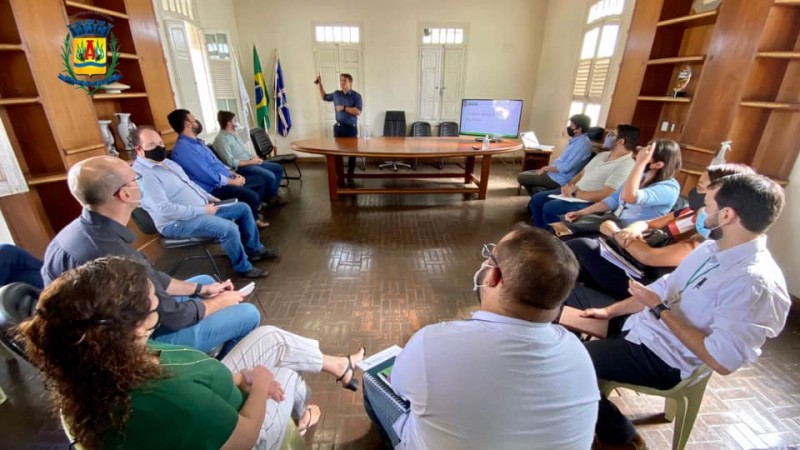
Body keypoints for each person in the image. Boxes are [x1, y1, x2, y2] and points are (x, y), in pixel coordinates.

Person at [20, 256, 367, 450]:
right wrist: (259, 384)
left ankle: (339, 366)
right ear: (135, 325)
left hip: (214, 393)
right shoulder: (165, 396)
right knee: (287, 372)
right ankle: (297, 427)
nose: (161, 313)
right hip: (245, 434)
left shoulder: (97, 358)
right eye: (156, 309)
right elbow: (241, 440)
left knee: (272, 338)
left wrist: (238, 377)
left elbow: (195, 374)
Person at [574, 173, 790, 449]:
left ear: (727, 215)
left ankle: (623, 438)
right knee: (569, 319)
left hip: (664, 357)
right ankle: (583, 410)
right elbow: (663, 290)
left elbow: (721, 360)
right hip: (642, 329)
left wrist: (660, 310)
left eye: (708, 205)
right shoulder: (712, 248)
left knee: (567, 362)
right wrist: (610, 312)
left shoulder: (754, 283)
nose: (702, 212)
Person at [364, 224, 599, 449]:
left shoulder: (432, 343)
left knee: (372, 379)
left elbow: (399, 385)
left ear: (493, 277)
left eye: (490, 256)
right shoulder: (577, 352)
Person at [41, 155, 259, 356]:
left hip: (108, 326)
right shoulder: (115, 258)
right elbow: (173, 317)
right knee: (248, 313)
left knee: (206, 281)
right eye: (136, 178)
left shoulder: (77, 232)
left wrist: (202, 290)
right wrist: (222, 302)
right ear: (125, 194)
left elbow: (151, 278)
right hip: (128, 348)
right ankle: (215, 375)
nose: (141, 182)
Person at [567, 163, 754, 300]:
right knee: (573, 261)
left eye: (701, 188)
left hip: (647, 281)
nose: (696, 193)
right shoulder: (690, 212)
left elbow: (651, 257)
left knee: (582, 248)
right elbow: (651, 224)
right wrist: (634, 228)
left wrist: (615, 232)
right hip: (633, 261)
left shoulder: (710, 234)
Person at [133, 126, 274, 279]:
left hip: (201, 208)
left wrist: (209, 197)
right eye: (151, 145)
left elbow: (190, 184)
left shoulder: (168, 163)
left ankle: (255, 250)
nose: (159, 147)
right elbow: (165, 209)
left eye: (160, 143)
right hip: (176, 222)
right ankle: (243, 267)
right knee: (229, 228)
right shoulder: (144, 176)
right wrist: (203, 210)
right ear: (139, 150)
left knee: (243, 208)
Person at [168, 109, 269, 224]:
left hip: (226, 179)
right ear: (187, 124)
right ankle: (249, 219)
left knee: (260, 180)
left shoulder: (197, 142)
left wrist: (234, 174)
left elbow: (217, 164)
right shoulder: (184, 150)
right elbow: (207, 176)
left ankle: (252, 215)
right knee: (253, 197)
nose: (197, 121)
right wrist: (233, 182)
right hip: (213, 189)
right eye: (194, 119)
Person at [530, 124, 638, 230]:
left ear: (621, 141)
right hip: (574, 192)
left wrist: (575, 193)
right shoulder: (603, 155)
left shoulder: (626, 165)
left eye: (613, 134)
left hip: (589, 201)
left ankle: (552, 237)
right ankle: (541, 231)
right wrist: (569, 185)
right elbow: (582, 173)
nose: (608, 135)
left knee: (550, 207)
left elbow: (606, 194)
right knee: (537, 199)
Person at [563, 139, 682, 229]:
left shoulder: (668, 188)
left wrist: (639, 164)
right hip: (614, 221)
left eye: (646, 155)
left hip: (630, 232)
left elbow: (629, 197)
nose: (639, 155)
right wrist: (581, 213)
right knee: (563, 226)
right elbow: (613, 200)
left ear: (658, 165)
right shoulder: (641, 177)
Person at [213, 110, 287, 208]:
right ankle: (266, 201)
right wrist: (251, 161)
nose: (237, 122)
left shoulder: (234, 135)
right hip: (241, 168)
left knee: (278, 168)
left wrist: (253, 157)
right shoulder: (221, 140)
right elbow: (230, 162)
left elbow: (244, 152)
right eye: (235, 120)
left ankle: (270, 198)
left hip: (251, 162)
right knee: (270, 176)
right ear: (229, 123)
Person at [517, 114, 593, 195]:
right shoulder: (576, 140)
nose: (569, 127)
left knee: (522, 177)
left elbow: (566, 168)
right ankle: (538, 191)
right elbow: (562, 161)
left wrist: (547, 168)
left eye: (572, 125)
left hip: (559, 179)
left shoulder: (582, 144)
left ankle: (539, 192)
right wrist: (548, 168)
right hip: (554, 174)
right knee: (527, 175)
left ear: (579, 129)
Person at [315, 73, 362, 178]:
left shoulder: (356, 96)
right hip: (338, 128)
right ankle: (339, 174)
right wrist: (319, 84)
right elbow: (324, 97)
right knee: (337, 152)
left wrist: (344, 108)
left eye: (344, 80)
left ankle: (350, 174)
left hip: (350, 128)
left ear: (350, 82)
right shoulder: (336, 94)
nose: (342, 83)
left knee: (352, 153)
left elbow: (358, 111)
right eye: (341, 80)